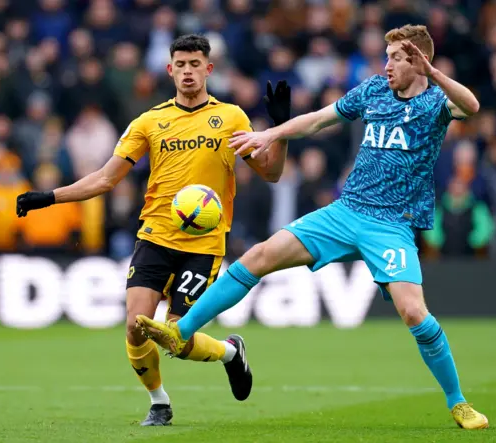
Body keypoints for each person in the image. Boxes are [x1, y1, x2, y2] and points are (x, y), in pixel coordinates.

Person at [136, 25, 489, 430]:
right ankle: (181, 331)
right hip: (345, 212)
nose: (386, 64)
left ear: (419, 61)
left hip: (391, 225)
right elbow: (318, 120)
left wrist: (436, 72)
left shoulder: (435, 102)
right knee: (259, 255)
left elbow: (472, 107)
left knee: (413, 313)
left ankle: (458, 402)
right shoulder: (373, 90)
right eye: (387, 56)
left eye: (395, 57)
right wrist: (268, 133)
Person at [15, 34, 291, 426]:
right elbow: (106, 179)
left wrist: (280, 130)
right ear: (169, 69)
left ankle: (231, 353)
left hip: (204, 243)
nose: (188, 72)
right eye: (181, 64)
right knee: (134, 327)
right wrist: (49, 197)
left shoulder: (231, 118)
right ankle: (159, 402)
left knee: (176, 339)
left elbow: (272, 173)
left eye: (195, 64)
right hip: (155, 236)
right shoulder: (150, 121)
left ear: (208, 69)